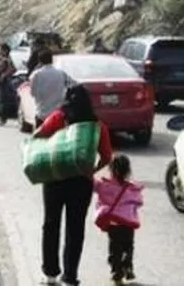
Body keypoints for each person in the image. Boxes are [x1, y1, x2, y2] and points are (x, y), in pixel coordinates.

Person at [33, 84, 113, 286]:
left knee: (51, 224)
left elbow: (37, 136)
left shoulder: (58, 118)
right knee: (75, 228)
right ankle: (70, 276)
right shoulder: (97, 125)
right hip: (81, 182)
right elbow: (106, 157)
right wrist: (90, 170)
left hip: (55, 179)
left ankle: (50, 273)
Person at [94, 155, 143, 284]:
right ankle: (128, 265)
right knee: (128, 245)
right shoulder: (132, 188)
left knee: (115, 246)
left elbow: (94, 185)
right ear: (128, 171)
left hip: (114, 223)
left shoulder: (106, 186)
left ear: (111, 170)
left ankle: (116, 271)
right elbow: (139, 202)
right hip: (129, 223)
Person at [30, 48, 73, 128]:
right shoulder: (61, 73)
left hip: (42, 113)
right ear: (52, 60)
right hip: (58, 114)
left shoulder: (36, 75)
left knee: (40, 138)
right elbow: (72, 85)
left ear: (40, 61)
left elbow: (32, 93)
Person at [0, 43, 18, 126]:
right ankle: (2, 118)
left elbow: (13, 69)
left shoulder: (7, 59)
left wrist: (4, 75)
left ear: (5, 50)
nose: (0, 51)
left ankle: (2, 119)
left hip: (3, 82)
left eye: (1, 49)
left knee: (2, 101)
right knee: (0, 101)